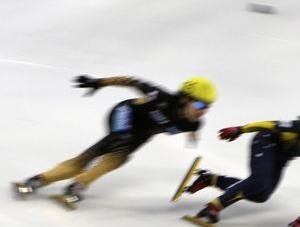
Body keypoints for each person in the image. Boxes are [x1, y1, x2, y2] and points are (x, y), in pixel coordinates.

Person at [14, 75, 216, 204]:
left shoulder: (193, 124)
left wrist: (193, 138)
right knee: (104, 148)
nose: (203, 110)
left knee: (118, 159)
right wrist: (100, 82)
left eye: (207, 106)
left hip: (143, 133)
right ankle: (37, 181)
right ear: (184, 98)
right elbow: (133, 81)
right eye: (199, 104)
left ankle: (79, 185)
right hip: (125, 113)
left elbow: (193, 129)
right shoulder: (162, 98)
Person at [183, 101, 300, 227]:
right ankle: (213, 208)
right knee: (259, 180)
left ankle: (211, 179)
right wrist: (241, 129)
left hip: (281, 156)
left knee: (260, 195)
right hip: (267, 141)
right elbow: (273, 125)